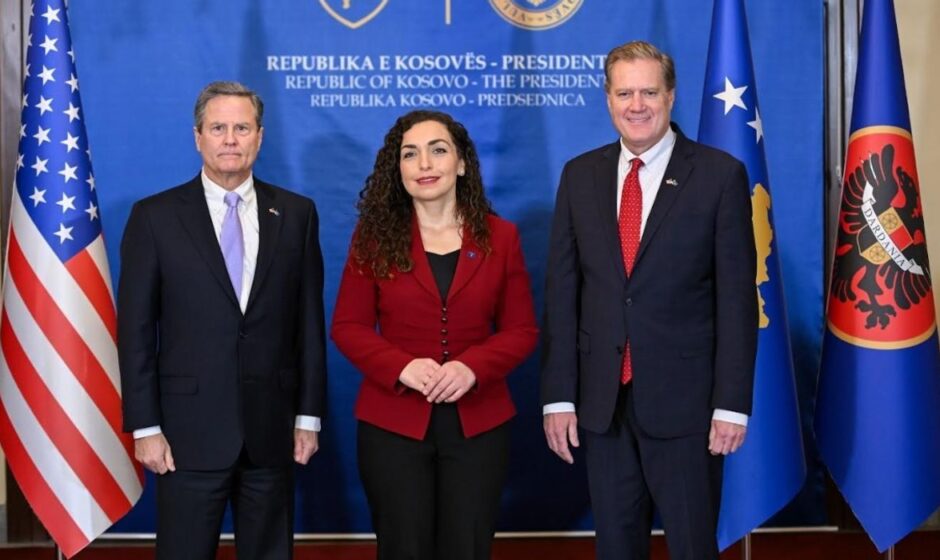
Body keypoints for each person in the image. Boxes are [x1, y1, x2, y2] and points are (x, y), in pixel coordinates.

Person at [540, 41, 758, 560]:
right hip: (602, 405)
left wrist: (731, 404)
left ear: (671, 96)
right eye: (624, 93)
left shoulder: (719, 175)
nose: (636, 105)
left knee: (691, 546)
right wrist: (559, 397)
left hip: (688, 408)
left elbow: (736, 301)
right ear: (608, 98)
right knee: (616, 547)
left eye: (649, 92)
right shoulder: (580, 175)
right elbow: (563, 293)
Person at [118, 81, 327, 560]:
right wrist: (145, 427)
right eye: (218, 128)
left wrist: (308, 417)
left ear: (260, 136)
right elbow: (135, 332)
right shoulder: (155, 217)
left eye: (242, 128)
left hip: (271, 432)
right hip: (185, 436)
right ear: (198, 137)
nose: (230, 139)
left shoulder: (296, 214)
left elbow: (309, 327)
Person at [331, 110, 538, 560]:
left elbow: (522, 330)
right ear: (398, 169)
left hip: (479, 425)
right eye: (410, 154)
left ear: (461, 163)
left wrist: (472, 367)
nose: (424, 164)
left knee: (468, 547)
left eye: (437, 150)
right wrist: (402, 367)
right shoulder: (373, 237)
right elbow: (348, 326)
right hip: (393, 426)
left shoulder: (501, 237)